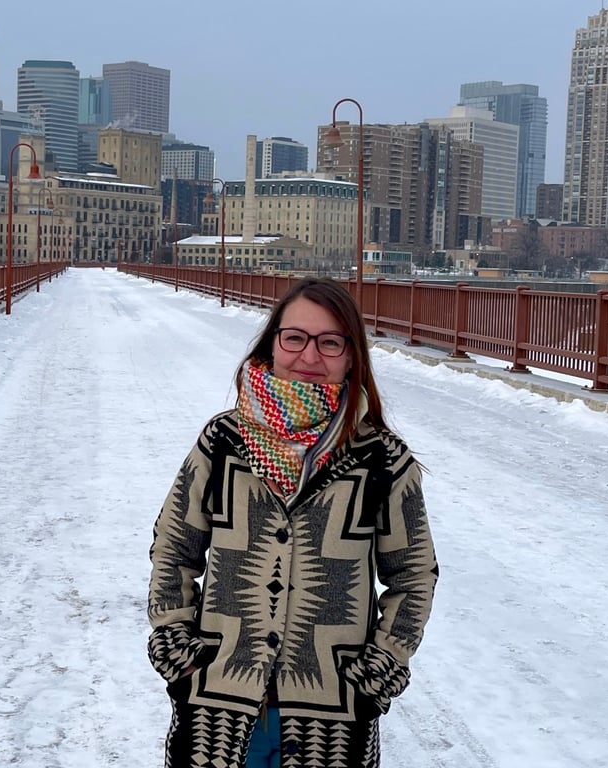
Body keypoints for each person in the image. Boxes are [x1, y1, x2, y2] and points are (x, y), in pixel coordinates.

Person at [147, 277, 438, 768]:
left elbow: (413, 575)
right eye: (295, 338)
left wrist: (380, 669)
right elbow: (175, 547)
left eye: (329, 342)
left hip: (334, 716)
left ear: (352, 356)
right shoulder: (223, 441)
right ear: (273, 342)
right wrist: (177, 649)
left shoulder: (383, 459)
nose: (309, 356)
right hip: (216, 702)